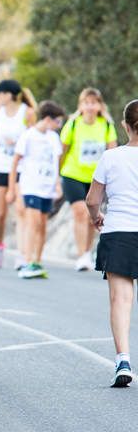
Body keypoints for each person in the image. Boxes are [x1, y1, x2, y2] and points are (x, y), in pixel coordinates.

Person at [86, 99, 138, 387]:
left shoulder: (111, 157)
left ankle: (123, 360)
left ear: (124, 125)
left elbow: (93, 199)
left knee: (121, 299)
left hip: (119, 231)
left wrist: (96, 217)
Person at [60, 87, 118, 271]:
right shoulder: (73, 124)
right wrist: (56, 175)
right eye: (86, 103)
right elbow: (62, 151)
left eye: (94, 102)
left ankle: (87, 252)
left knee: (92, 216)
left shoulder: (107, 125)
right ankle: (81, 255)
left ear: (100, 106)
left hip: (96, 179)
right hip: (72, 174)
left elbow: (112, 153)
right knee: (80, 212)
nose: (90, 106)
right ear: (81, 106)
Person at [7, 100, 67, 279]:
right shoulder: (28, 136)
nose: (59, 126)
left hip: (47, 187)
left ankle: (37, 261)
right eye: (57, 121)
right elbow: (15, 162)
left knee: (42, 224)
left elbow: (56, 163)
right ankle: (26, 259)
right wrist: (12, 189)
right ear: (48, 119)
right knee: (32, 223)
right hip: (30, 186)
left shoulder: (53, 138)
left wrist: (57, 184)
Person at [0, 79, 37, 269]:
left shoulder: (28, 112)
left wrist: (18, 145)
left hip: (21, 167)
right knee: (0, 213)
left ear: (9, 94)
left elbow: (34, 138)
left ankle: (22, 254)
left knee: (21, 211)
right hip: (0, 165)